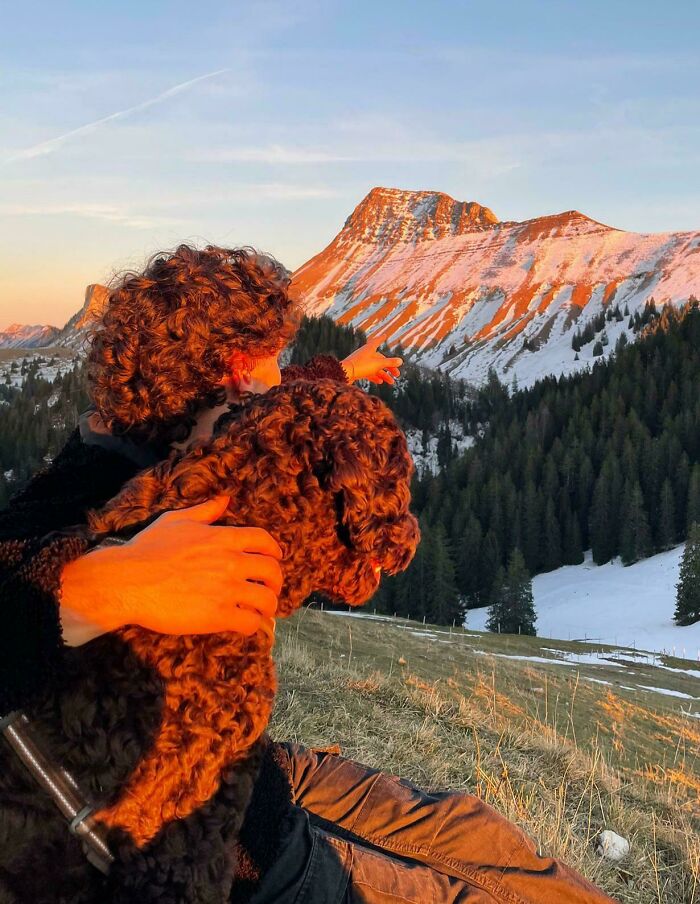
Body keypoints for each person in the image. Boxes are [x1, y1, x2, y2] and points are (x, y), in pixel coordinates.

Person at [0, 244, 615, 903]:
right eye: (270, 367)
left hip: (264, 775)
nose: (279, 383)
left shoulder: (173, 439)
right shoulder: (88, 495)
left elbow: (285, 409)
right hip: (241, 855)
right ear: (235, 379)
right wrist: (102, 588)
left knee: (475, 831)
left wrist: (338, 373)